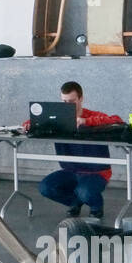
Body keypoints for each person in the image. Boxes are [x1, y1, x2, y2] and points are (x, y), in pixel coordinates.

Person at [24, 81, 123, 219]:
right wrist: (29, 125)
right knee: (46, 187)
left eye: (71, 101)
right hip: (71, 170)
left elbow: (117, 120)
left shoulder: (91, 116)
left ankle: (96, 207)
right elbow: (32, 122)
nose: (68, 105)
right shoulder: (57, 118)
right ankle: (76, 202)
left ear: (81, 99)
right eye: (64, 101)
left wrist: (85, 122)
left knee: (84, 191)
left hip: (96, 172)